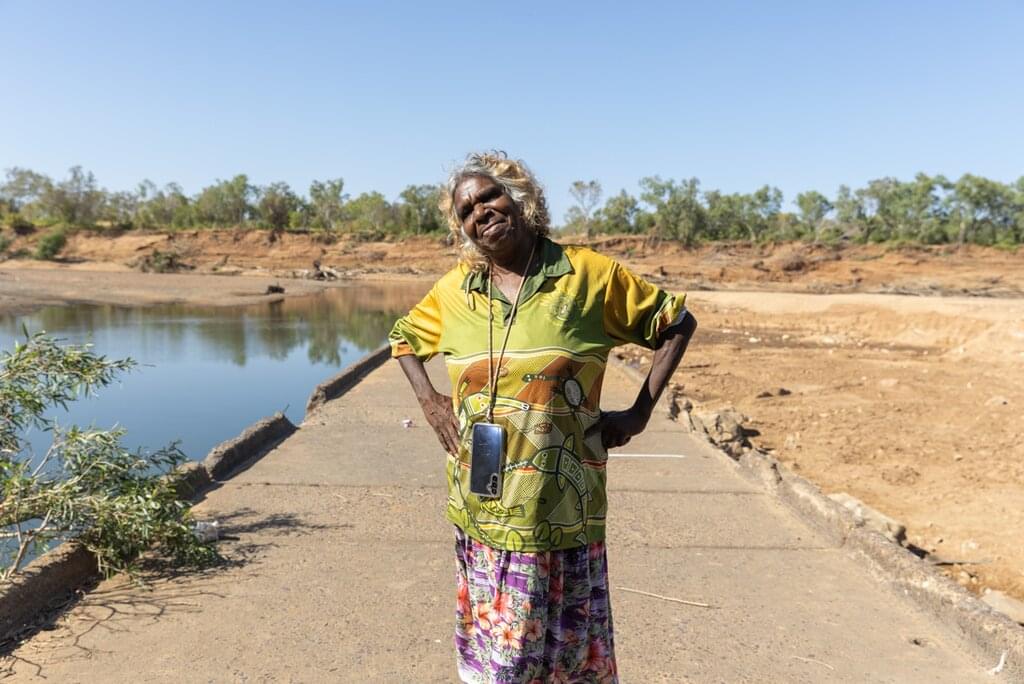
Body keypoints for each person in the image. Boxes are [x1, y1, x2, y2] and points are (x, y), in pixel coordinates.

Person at [389, 151, 696, 683]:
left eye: (489, 196)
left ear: (519, 195)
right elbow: (402, 338)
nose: (480, 212)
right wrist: (430, 401)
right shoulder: (455, 290)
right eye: (466, 210)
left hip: (562, 515)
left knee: (564, 667)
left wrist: (640, 413)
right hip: (481, 512)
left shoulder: (587, 276)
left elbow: (676, 322)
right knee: (500, 665)